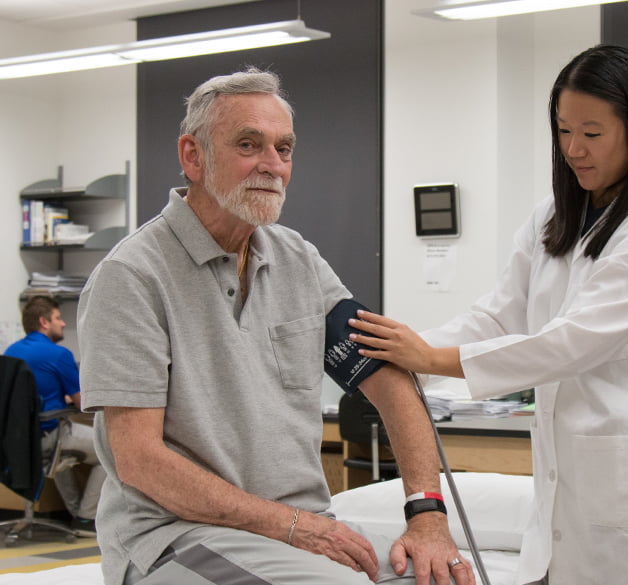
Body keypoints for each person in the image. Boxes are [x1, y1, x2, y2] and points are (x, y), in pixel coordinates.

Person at [76, 67, 474, 585]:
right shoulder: (132, 277)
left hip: (296, 532)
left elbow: (391, 383)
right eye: (248, 145)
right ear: (193, 156)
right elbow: (141, 461)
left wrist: (427, 517)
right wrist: (293, 527)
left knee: (446, 577)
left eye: (283, 149)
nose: (272, 165)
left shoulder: (298, 261)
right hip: (175, 538)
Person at [349, 45, 628, 585]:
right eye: (564, 130)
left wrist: (429, 356)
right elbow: (498, 317)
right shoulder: (554, 215)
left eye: (592, 134)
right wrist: (401, 362)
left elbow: (572, 343)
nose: (573, 148)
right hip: (570, 490)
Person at [3, 295, 106, 537]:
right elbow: (85, 403)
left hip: (14, 442)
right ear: (44, 322)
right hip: (46, 434)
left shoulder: (10, 351)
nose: (62, 324)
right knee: (110, 447)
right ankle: (85, 518)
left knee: (63, 451)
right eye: (58, 318)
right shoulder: (59, 355)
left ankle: (73, 513)